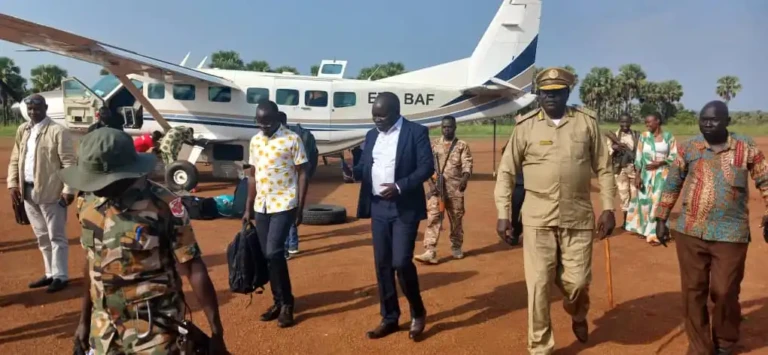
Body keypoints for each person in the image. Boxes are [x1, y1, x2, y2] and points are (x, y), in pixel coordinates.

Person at [60, 128, 227, 354]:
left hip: (154, 330)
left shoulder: (165, 205)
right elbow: (91, 263)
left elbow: (193, 267)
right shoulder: (87, 203)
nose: (95, 187)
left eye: (101, 181)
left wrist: (217, 333)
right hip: (104, 331)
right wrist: (84, 322)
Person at [494, 67, 616, 354]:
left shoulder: (586, 124)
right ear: (538, 95)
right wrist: (503, 212)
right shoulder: (525, 126)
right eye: (545, 93)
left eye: (557, 93)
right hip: (537, 218)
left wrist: (609, 207)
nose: (550, 98)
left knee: (577, 282)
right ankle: (540, 347)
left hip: (578, 216)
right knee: (538, 286)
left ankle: (577, 312)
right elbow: (506, 173)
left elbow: (604, 168)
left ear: (567, 93)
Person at [655, 101, 768, 355]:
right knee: (693, 291)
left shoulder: (745, 146)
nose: (707, 123)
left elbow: (765, 178)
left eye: (714, 120)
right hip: (690, 231)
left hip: (731, 233)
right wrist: (661, 218)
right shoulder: (690, 148)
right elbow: (673, 182)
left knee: (725, 290)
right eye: (703, 119)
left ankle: (725, 341)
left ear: (727, 122)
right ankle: (699, 347)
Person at [343, 92, 433, 341]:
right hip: (378, 207)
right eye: (374, 115)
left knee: (401, 262)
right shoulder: (372, 136)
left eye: (381, 115)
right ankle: (390, 317)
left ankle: (418, 311)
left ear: (396, 112)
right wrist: (354, 172)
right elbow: (367, 166)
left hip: (404, 207)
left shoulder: (416, 132)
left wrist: (401, 186)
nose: (377, 120)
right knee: (382, 264)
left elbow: (426, 167)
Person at [243, 100, 309, 328]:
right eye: (259, 123)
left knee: (274, 251)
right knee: (267, 254)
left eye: (267, 122)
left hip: (285, 204)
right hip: (262, 205)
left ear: (277, 118)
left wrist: (300, 207)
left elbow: (302, 173)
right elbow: (252, 175)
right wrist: (247, 207)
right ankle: (278, 300)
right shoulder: (255, 141)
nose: (263, 126)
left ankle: (288, 304)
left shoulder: (292, 139)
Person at [7, 94, 76, 293]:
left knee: (57, 237)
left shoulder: (57, 131)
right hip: (27, 191)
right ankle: (49, 273)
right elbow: (15, 157)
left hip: (51, 192)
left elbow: (69, 162)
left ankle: (61, 276)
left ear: (45, 108)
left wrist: (68, 190)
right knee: (42, 236)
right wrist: (13, 184)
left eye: (37, 108)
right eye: (30, 109)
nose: (33, 112)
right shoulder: (24, 129)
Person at [414, 115, 473, 264]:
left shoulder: (461, 145)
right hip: (437, 189)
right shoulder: (434, 146)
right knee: (433, 217)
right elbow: (426, 167)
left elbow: (467, 164)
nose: (447, 129)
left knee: (456, 219)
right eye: (444, 127)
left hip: (455, 189)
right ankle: (430, 250)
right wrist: (431, 184)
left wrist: (465, 179)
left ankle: (456, 246)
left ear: (455, 127)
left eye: (450, 127)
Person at [624, 112, 678, 245]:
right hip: (645, 175)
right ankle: (643, 229)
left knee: (657, 202)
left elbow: (675, 156)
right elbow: (639, 156)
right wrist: (637, 175)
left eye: (649, 122)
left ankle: (654, 234)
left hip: (661, 175)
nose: (647, 125)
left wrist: (661, 163)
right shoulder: (644, 136)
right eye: (646, 122)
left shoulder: (668, 137)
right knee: (644, 202)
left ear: (658, 121)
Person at [278, 111, 318, 257]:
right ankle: (292, 244)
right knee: (290, 215)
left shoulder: (288, 140)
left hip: (288, 185)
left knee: (285, 216)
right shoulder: (295, 137)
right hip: (293, 184)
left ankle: (288, 245)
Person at [606, 114, 640, 228]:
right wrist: (614, 148)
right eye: (622, 122)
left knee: (635, 195)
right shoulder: (615, 135)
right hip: (620, 169)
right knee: (624, 195)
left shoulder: (636, 135)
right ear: (619, 122)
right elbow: (608, 151)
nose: (624, 124)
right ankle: (626, 221)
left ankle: (634, 222)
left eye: (627, 122)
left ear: (631, 122)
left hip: (634, 169)